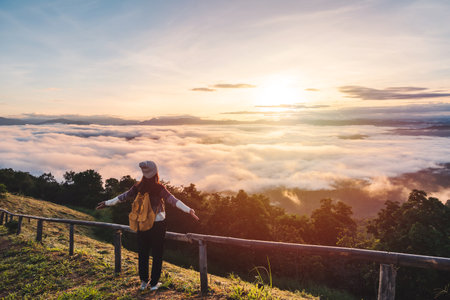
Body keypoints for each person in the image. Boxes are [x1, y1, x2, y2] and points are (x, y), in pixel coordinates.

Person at [96, 161, 199, 291]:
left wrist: (107, 203)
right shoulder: (159, 188)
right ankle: (154, 284)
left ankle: (144, 282)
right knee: (157, 254)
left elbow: (122, 197)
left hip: (142, 223)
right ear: (156, 172)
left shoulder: (138, 187)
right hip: (158, 225)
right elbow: (173, 200)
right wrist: (189, 210)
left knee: (143, 253)